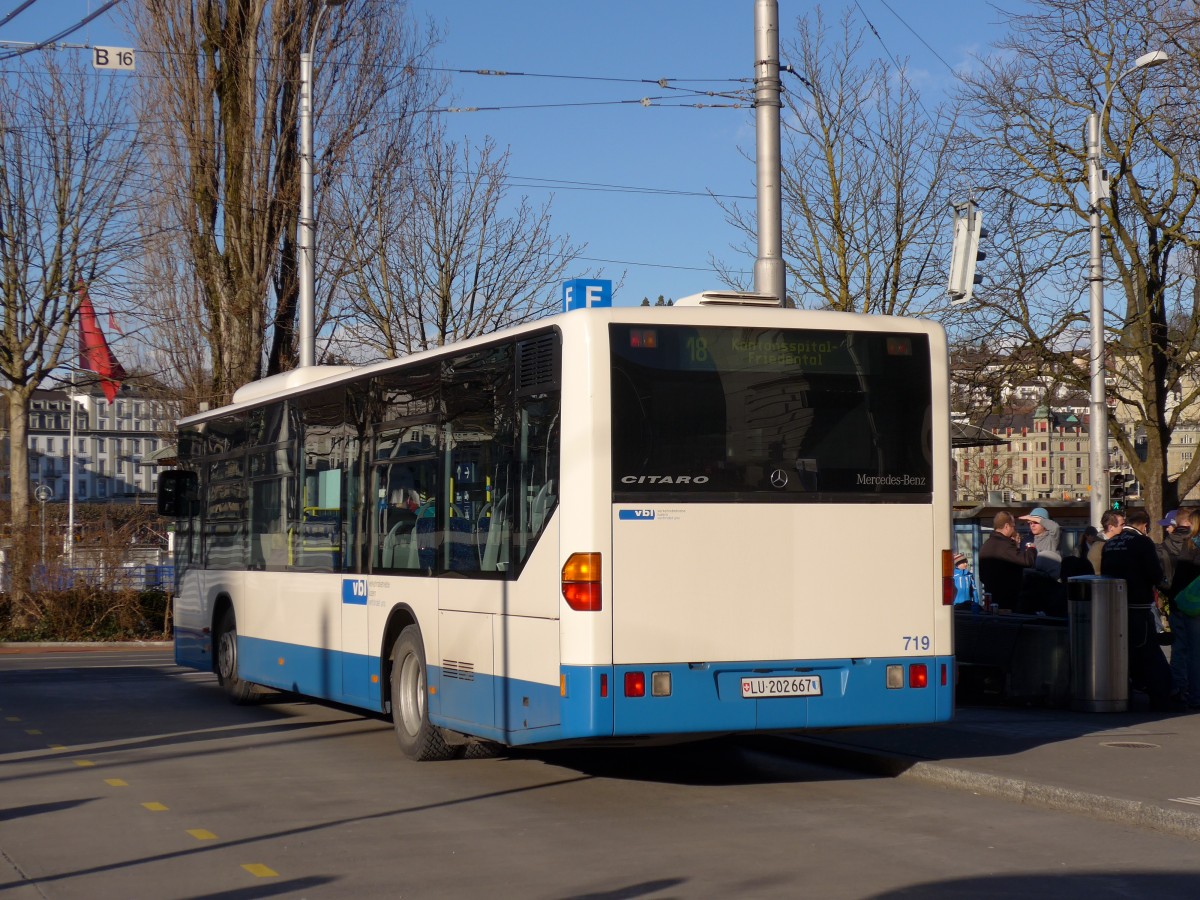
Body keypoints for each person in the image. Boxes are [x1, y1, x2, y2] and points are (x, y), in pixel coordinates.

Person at [1101, 508, 1176, 710]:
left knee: (1126, 652)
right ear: (1144, 525)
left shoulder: (1110, 544)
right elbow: (1154, 574)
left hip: (1114, 606)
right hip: (1138, 605)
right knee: (1149, 652)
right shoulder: (1142, 542)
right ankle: (1161, 697)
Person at [1159, 508, 1200, 709]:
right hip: (1193, 604)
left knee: (1181, 648)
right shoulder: (1192, 545)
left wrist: (1169, 594)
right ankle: (1193, 692)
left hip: (1178, 601)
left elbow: (1165, 576)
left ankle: (1180, 688)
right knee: (1194, 650)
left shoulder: (1171, 546)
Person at [978, 511, 1036, 609]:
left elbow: (982, 577)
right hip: (1008, 601)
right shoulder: (1004, 546)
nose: (1014, 529)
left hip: (992, 600)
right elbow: (1027, 561)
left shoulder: (985, 545)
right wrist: (1031, 549)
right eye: (1013, 526)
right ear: (1006, 526)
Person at [1019, 506, 1063, 579]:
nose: (1032, 525)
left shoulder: (1052, 538)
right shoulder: (1027, 540)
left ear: (1044, 523)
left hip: (1051, 582)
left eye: (1035, 522)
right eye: (1030, 523)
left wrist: (1033, 518)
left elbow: (1055, 528)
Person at [1088, 509, 1124, 574]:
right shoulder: (1098, 547)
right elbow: (1096, 573)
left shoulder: (1118, 542)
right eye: (1121, 525)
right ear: (1110, 528)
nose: (1124, 528)